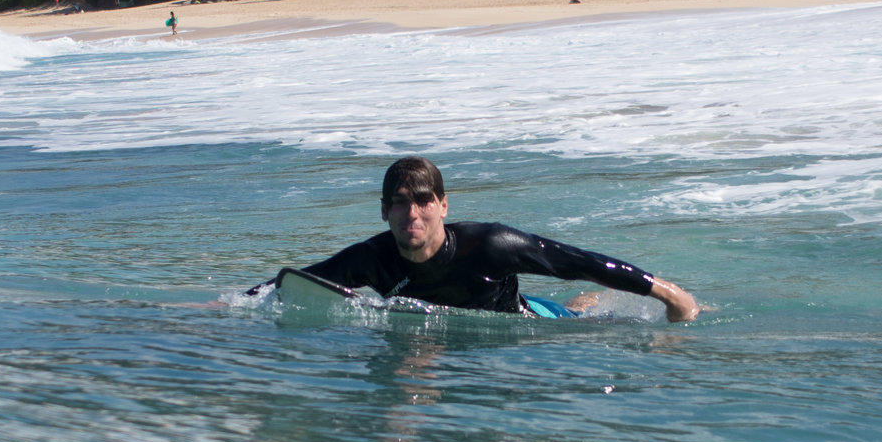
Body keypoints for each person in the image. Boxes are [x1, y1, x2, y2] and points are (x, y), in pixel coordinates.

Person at [258, 157, 701, 320]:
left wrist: (668, 293)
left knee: (581, 313)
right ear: (383, 211)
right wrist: (221, 307)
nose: (411, 213)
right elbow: (295, 284)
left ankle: (585, 305)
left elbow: (577, 261)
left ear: (443, 206)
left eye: (423, 200)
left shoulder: (490, 245)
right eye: (398, 203)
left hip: (526, 321)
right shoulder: (370, 259)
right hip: (437, 331)